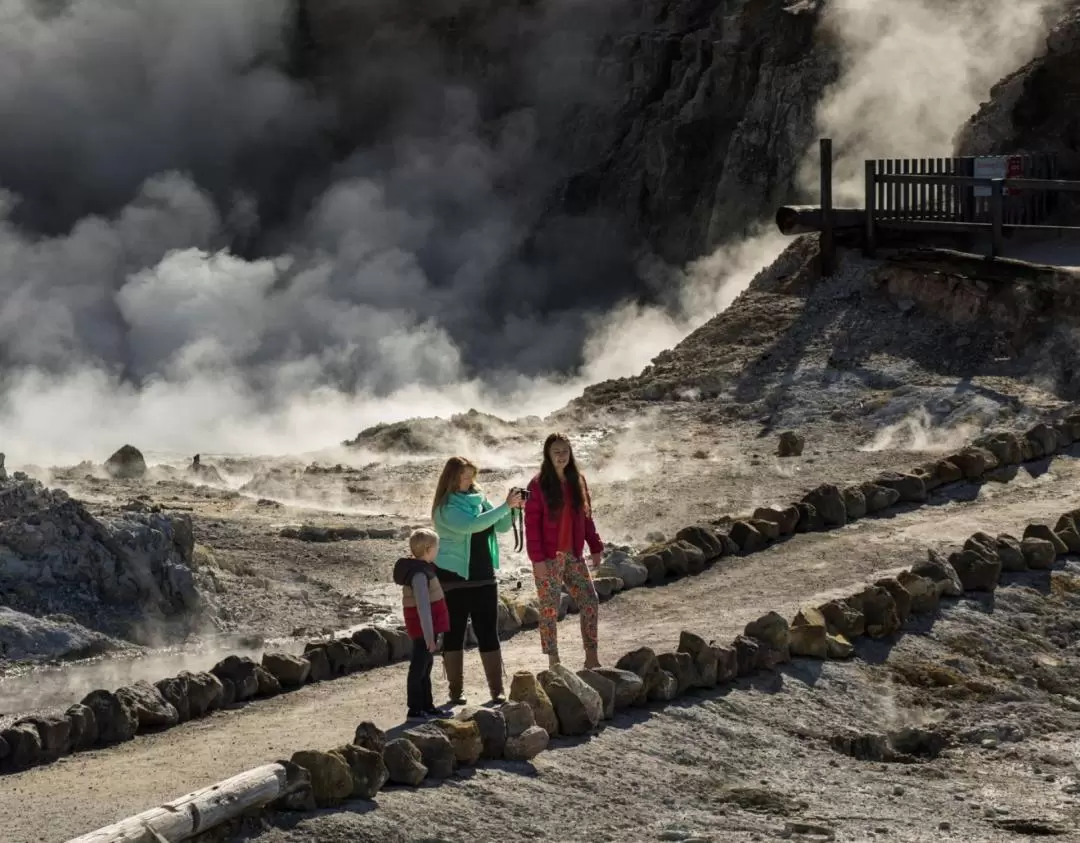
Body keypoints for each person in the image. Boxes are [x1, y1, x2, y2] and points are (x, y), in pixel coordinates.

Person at [432, 456, 522, 705]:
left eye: (471, 474)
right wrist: (504, 506)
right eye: (464, 475)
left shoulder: (479, 497)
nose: (469, 480)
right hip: (454, 578)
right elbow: (471, 526)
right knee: (454, 634)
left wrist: (512, 507)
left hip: (483, 575)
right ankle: (455, 691)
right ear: (451, 478)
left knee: (488, 632)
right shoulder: (445, 508)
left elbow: (501, 526)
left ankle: (497, 690)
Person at [524, 433, 604, 670]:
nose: (562, 456)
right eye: (556, 452)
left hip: (573, 555)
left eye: (565, 451)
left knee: (590, 601)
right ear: (548, 455)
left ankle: (591, 657)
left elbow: (586, 518)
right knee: (549, 609)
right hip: (548, 558)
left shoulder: (577, 480)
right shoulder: (537, 485)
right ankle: (553, 661)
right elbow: (531, 526)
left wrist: (596, 546)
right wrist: (537, 559)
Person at [392, 528, 451, 720]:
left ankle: (427, 705)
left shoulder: (424, 569)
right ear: (427, 549)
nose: (438, 550)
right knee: (418, 667)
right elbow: (423, 608)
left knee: (425, 665)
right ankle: (415, 709)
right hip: (424, 629)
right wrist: (428, 637)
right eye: (437, 547)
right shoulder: (419, 575)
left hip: (427, 629)